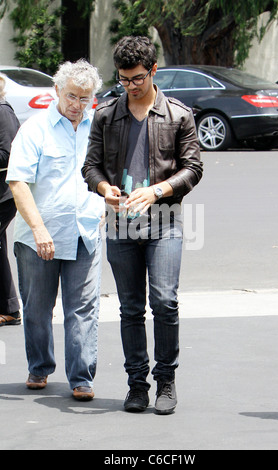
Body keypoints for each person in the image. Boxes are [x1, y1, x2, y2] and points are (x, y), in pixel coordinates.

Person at [82, 36, 203, 414]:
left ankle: (166, 381)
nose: (129, 86)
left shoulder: (178, 114)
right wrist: (105, 189)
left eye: (136, 78)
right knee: (131, 308)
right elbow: (90, 166)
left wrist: (157, 191)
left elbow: (193, 168)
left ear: (153, 71)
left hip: (164, 220)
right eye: (123, 79)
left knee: (164, 302)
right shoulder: (106, 115)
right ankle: (137, 385)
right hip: (120, 223)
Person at [7, 60, 104, 401]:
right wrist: (38, 229)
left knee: (83, 308)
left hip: (85, 231)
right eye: (72, 96)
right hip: (39, 236)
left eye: (85, 97)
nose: (77, 104)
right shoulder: (35, 129)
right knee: (37, 306)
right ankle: (40, 366)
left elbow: (110, 171)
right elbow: (18, 181)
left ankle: (81, 377)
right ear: (57, 92)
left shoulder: (99, 127)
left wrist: (106, 202)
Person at [0, 74, 21, 327]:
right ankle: (10, 309)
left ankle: (10, 308)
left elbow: (9, 155)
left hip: (5, 195)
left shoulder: (3, 112)